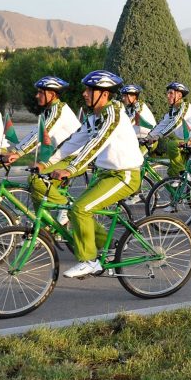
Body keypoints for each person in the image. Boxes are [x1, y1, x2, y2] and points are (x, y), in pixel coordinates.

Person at [36, 70, 144, 278]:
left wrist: (70, 169)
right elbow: (75, 141)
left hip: (125, 175)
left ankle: (90, 261)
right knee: (75, 209)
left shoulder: (113, 114)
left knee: (80, 209)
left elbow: (95, 144)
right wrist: (47, 163)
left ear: (103, 94)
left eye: (89, 90)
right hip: (107, 173)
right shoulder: (95, 116)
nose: (84, 94)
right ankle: (109, 245)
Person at [1, 76, 81, 167]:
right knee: (34, 171)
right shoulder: (49, 110)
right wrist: (15, 150)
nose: (37, 96)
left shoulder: (58, 111)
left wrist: (18, 154)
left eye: (41, 93)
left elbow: (40, 134)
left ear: (52, 95)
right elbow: (35, 132)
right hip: (58, 154)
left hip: (71, 156)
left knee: (36, 179)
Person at [147, 82, 191, 178]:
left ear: (179, 95)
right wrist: (149, 136)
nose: (168, 96)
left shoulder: (185, 107)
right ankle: (181, 186)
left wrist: (158, 136)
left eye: (171, 93)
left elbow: (175, 123)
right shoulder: (173, 111)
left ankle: (183, 173)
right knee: (172, 172)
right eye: (167, 93)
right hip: (184, 142)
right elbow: (162, 124)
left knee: (171, 145)